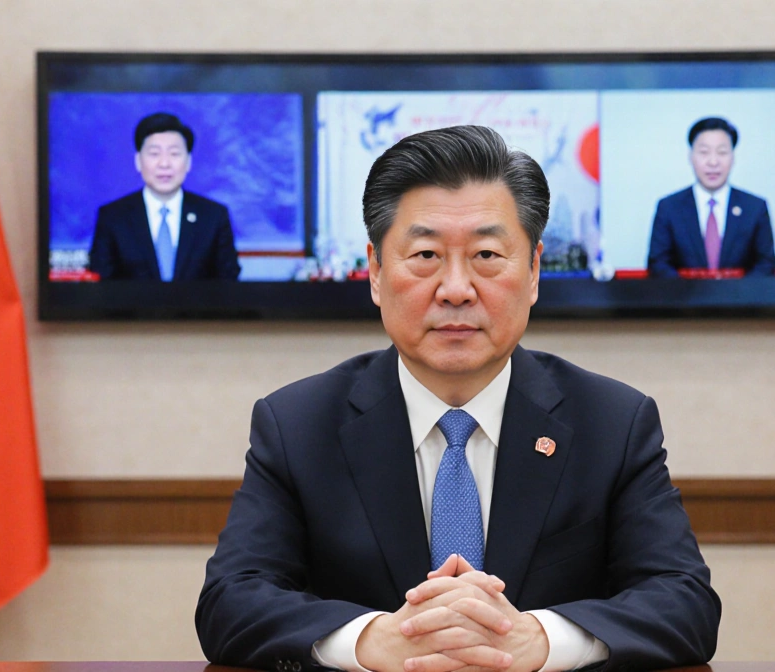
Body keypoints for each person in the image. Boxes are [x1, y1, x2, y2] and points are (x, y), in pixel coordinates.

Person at [196, 125, 720, 672]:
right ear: (375, 272)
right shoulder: (297, 424)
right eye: (424, 254)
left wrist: (538, 638)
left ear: (535, 270)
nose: (455, 288)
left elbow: (684, 601)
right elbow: (230, 602)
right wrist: (373, 639)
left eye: (487, 254)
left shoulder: (613, 422)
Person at [87, 112, 241, 281]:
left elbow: (228, 284)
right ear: (138, 161)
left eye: (174, 154)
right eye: (154, 154)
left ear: (188, 162)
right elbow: (100, 286)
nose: (164, 163)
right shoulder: (113, 217)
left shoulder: (213, 216)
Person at [646, 117, 775, 277]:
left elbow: (766, 263)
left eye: (722, 152)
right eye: (704, 152)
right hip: (683, 299)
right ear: (690, 157)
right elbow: (658, 264)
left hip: (741, 300)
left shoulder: (755, 207)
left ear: (733, 157)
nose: (713, 162)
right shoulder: (669, 207)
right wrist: (691, 296)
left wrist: (737, 296)